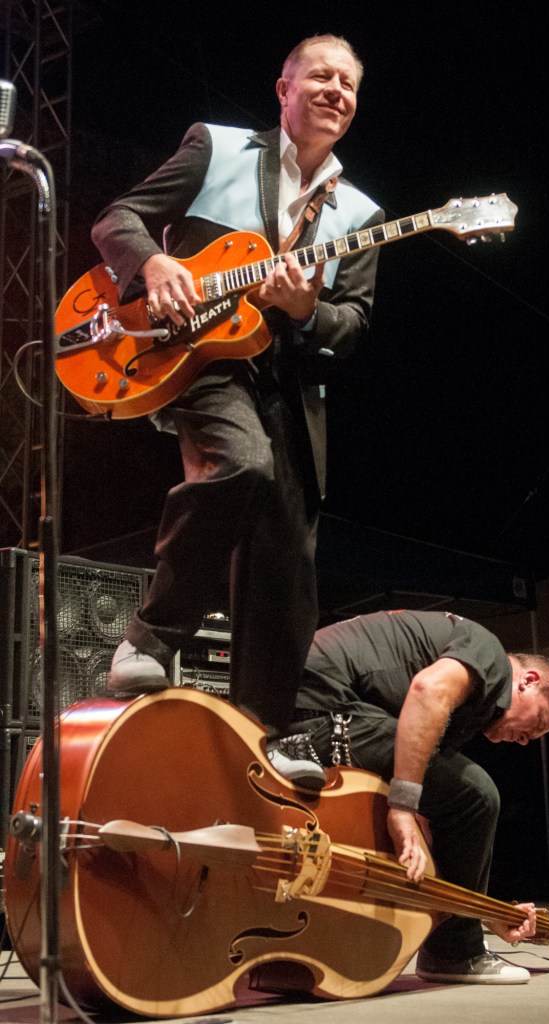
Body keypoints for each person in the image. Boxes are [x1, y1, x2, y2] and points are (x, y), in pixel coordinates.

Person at [90, 35, 384, 788]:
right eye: (321, 76)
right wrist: (152, 262)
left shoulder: (358, 212)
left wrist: (308, 309)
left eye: (349, 84)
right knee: (241, 464)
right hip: (203, 361)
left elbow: (351, 325)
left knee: (288, 562)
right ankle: (151, 640)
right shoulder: (215, 147)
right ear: (283, 87)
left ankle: (266, 734)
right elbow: (116, 220)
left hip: (288, 384)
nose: (336, 91)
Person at [280, 608, 549, 984]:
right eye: (534, 726)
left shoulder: (467, 711)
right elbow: (427, 690)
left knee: (460, 798)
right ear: (528, 681)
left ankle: (454, 938)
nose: (523, 741)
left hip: (307, 704)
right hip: (322, 708)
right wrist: (402, 806)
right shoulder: (490, 657)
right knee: (478, 795)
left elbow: (435, 833)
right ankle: (455, 953)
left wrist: (481, 910)